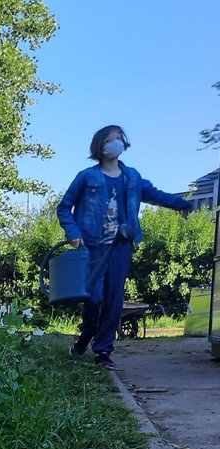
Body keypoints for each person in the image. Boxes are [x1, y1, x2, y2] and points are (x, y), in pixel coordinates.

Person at [57, 126, 191, 370]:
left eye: (119, 138)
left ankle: (103, 352)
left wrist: (183, 203)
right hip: (92, 247)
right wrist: (74, 235)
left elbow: (156, 195)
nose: (116, 142)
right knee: (94, 298)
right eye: (110, 139)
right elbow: (64, 207)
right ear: (100, 146)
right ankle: (86, 335)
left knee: (113, 299)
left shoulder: (132, 177)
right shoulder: (86, 177)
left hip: (121, 247)